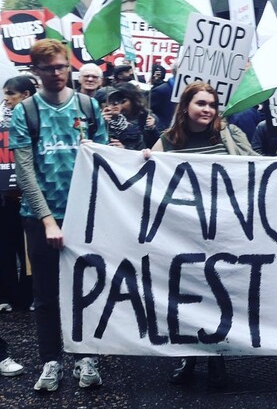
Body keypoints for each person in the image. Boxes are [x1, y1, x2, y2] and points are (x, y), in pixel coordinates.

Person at [8, 39, 108, 392]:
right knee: (47, 295)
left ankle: (87, 357)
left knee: (88, 290)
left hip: (85, 217)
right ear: (35, 71)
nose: (57, 73)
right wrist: (48, 219)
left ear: (70, 66)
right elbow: (26, 171)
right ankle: (52, 361)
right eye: (48, 68)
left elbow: (104, 163)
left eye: (62, 66)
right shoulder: (26, 112)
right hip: (40, 219)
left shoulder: (88, 107)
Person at [146, 82, 256, 387]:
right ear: (186, 107)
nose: (207, 109)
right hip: (185, 233)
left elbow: (257, 167)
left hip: (223, 230)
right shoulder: (168, 141)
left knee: (216, 294)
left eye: (212, 104)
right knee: (188, 296)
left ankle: (216, 358)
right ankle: (190, 357)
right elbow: (144, 174)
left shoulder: (230, 135)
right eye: (201, 103)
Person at [0, 76, 37, 313]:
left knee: (31, 250)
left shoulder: (39, 120)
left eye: (11, 94)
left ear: (25, 95)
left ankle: (29, 295)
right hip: (4, 198)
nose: (6, 99)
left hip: (32, 197)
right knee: (4, 247)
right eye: (4, 94)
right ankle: (5, 294)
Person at [109, 83, 161, 148]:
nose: (120, 106)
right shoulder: (111, 119)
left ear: (133, 100)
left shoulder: (148, 118)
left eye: (123, 102)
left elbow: (156, 145)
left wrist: (152, 129)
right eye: (115, 103)